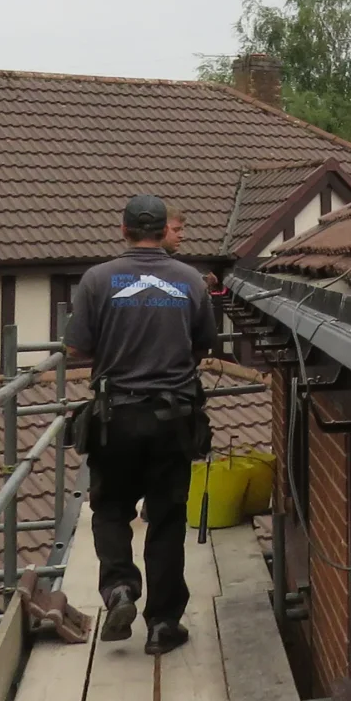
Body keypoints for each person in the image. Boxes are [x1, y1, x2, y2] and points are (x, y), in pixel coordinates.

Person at [64, 194, 217, 653]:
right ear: (162, 230)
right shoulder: (191, 280)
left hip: (117, 417)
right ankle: (163, 624)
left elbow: (75, 349)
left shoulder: (97, 280)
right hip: (174, 419)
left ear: (124, 228)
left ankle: (119, 590)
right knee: (167, 519)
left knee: (110, 508)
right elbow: (203, 344)